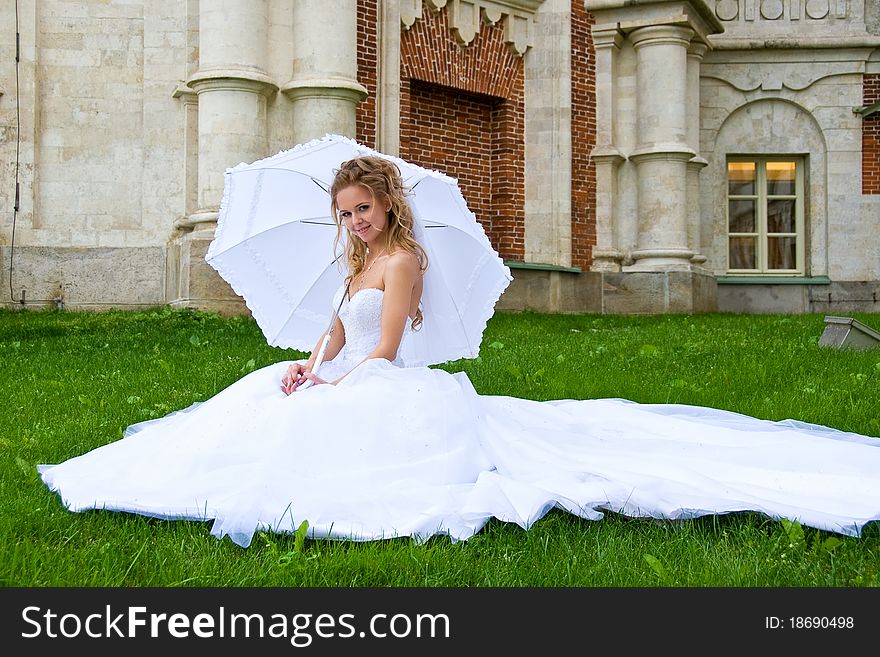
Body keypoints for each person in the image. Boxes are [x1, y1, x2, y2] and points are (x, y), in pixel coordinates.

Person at [38, 157, 880, 549]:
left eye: (361, 209)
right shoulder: (356, 260)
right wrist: (309, 361)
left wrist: (334, 381)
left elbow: (388, 348)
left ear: (386, 206)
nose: (352, 224)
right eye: (343, 213)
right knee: (258, 402)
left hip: (382, 387)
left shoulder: (403, 261)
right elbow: (336, 329)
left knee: (302, 437)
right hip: (340, 373)